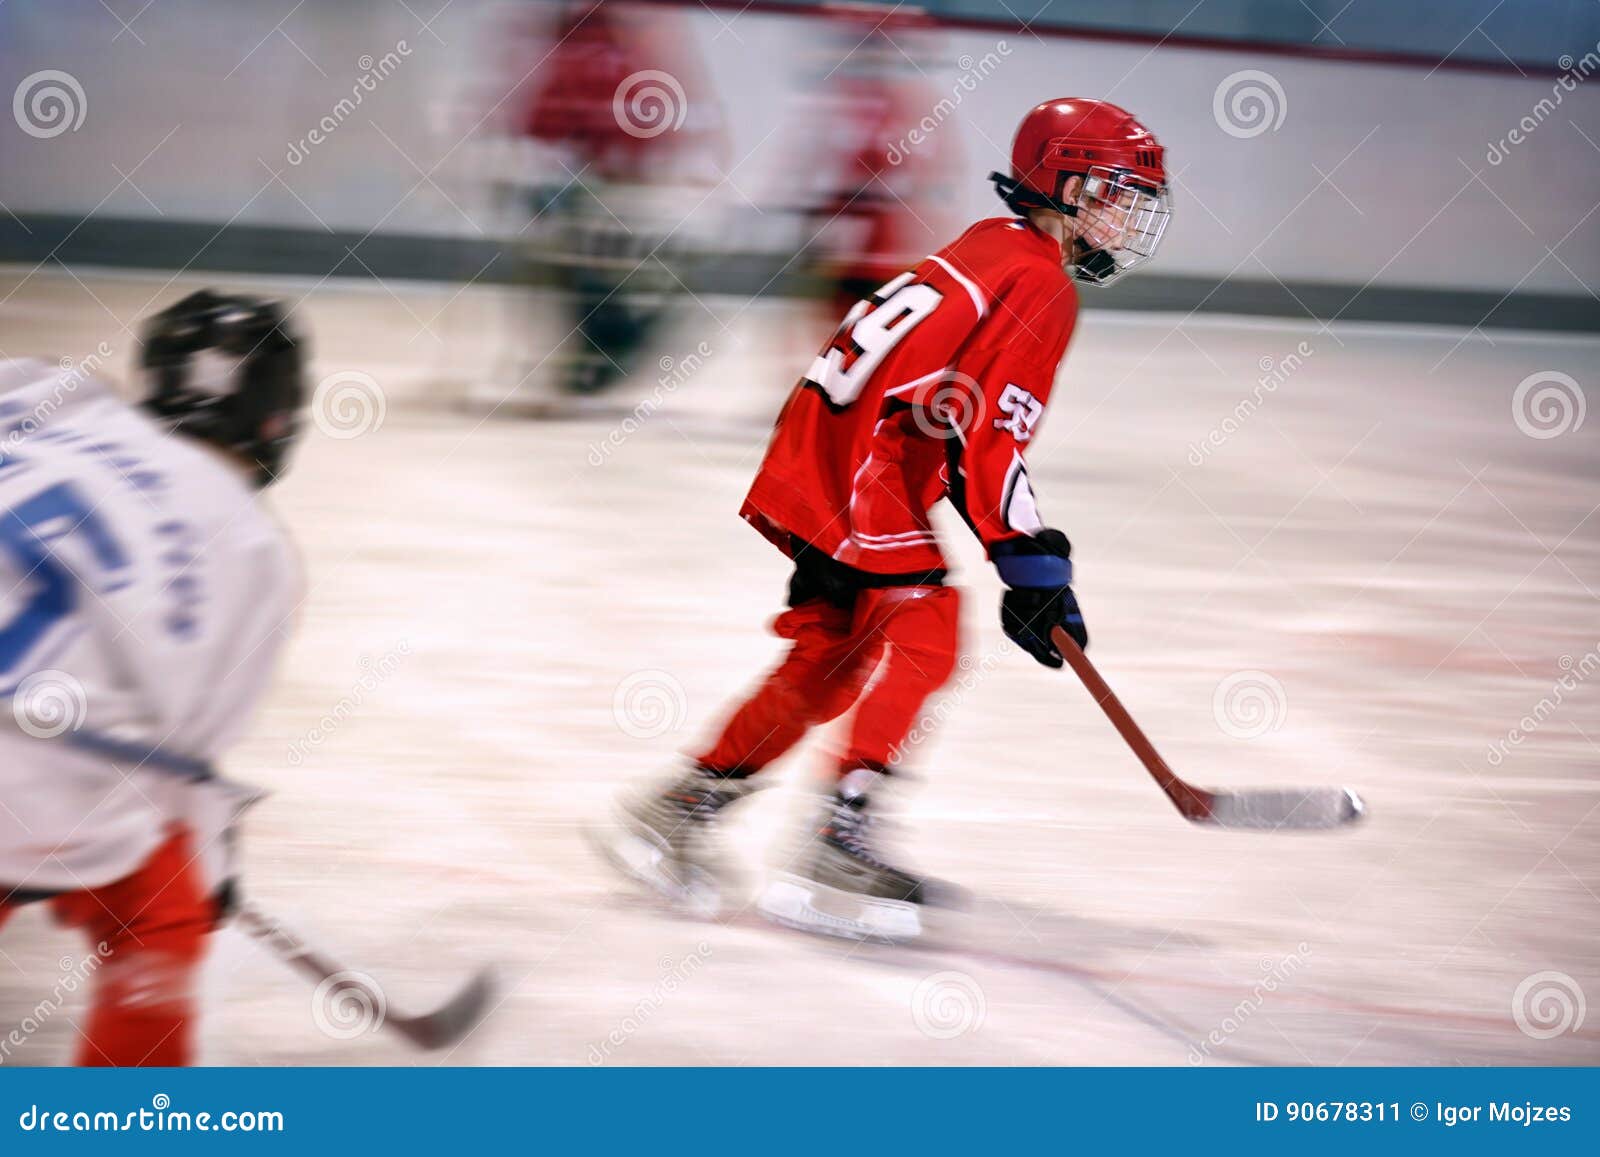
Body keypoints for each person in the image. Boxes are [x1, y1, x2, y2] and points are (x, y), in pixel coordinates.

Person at [595, 98, 1172, 942]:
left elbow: (954, 410)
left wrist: (1018, 552)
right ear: (1065, 182)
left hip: (822, 448)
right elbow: (990, 436)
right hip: (865, 466)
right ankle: (838, 844)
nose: (1126, 218)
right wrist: (1032, 564)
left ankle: (678, 810)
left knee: (833, 656)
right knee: (928, 629)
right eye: (1115, 192)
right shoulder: (1040, 282)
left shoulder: (989, 243)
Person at [0, 290, 306, 1065]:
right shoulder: (254, 551)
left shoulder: (53, 399)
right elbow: (185, 765)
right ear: (279, 419)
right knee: (158, 918)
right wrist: (214, 870)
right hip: (35, 776)